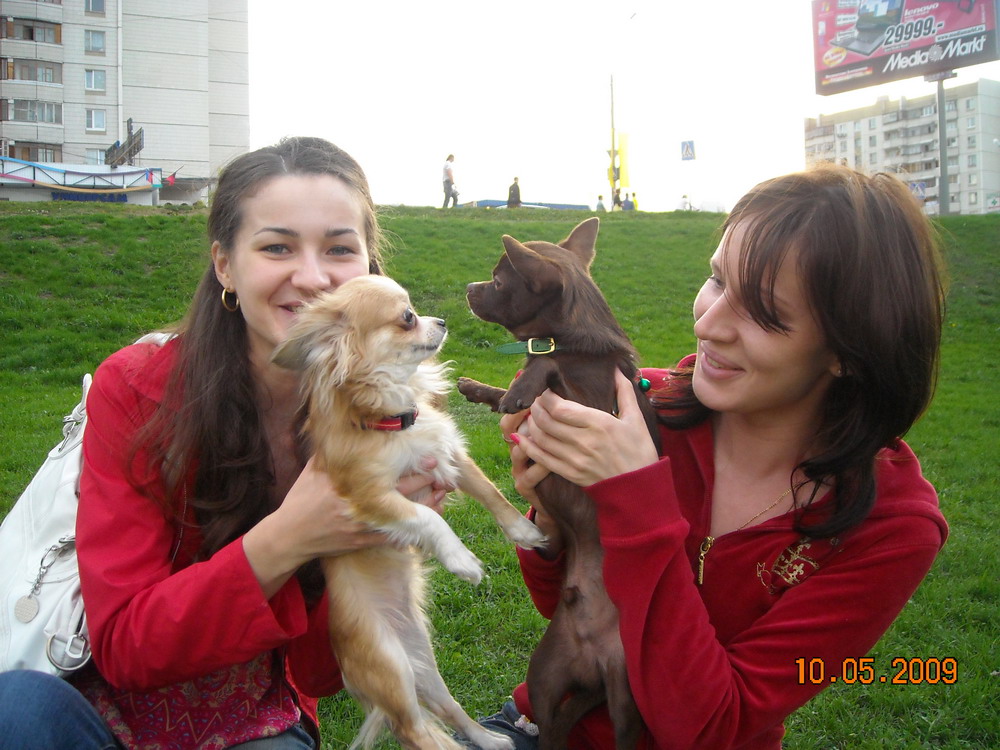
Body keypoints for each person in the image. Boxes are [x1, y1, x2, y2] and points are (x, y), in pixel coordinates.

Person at [0, 137, 454, 750]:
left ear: (371, 269)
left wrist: (379, 536)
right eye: (277, 247)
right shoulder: (137, 389)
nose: (313, 277)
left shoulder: (392, 420)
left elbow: (319, 673)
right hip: (100, 712)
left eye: (340, 249)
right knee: (16, 711)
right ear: (224, 266)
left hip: (255, 720)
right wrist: (290, 537)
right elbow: (125, 649)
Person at [479, 165, 948, 749]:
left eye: (763, 312)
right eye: (717, 280)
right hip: (541, 728)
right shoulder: (633, 407)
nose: (708, 322)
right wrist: (550, 520)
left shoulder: (892, 527)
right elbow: (568, 607)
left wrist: (635, 498)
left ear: (849, 350)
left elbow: (712, 725)